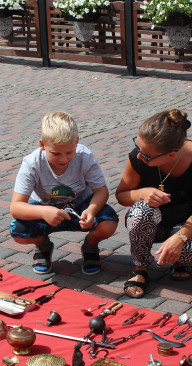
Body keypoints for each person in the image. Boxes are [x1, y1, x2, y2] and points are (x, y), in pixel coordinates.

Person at [115, 109, 192, 298]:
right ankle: (141, 267)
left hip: (184, 223)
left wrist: (180, 238)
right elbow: (121, 196)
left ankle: (178, 261)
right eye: (138, 147)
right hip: (151, 223)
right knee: (140, 211)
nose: (139, 156)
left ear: (170, 155)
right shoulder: (139, 156)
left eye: (146, 156)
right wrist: (141, 193)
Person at [9, 111, 118, 277]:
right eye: (56, 153)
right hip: (44, 209)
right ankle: (43, 245)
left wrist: (91, 211)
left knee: (108, 221)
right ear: (42, 145)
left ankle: (90, 246)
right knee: (18, 231)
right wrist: (44, 211)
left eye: (69, 152)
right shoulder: (32, 163)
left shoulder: (85, 156)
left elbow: (101, 191)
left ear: (77, 142)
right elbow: (15, 207)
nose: (63, 159)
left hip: (80, 208)